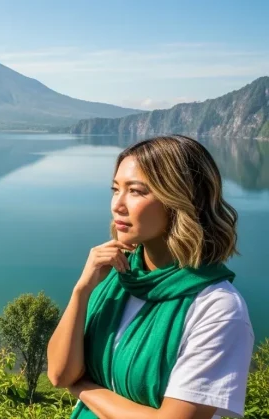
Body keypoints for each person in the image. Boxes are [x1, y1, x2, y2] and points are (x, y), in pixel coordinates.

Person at [47, 135, 254, 419]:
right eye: (115, 189)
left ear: (180, 199)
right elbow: (59, 374)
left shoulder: (217, 309)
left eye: (136, 191)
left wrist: (84, 389)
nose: (117, 205)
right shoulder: (118, 276)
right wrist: (82, 291)